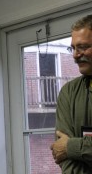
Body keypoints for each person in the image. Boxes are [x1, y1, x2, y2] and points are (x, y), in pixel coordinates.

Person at [50, 14, 92, 173]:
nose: (75, 55)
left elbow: (65, 147)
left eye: (82, 47)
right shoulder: (68, 92)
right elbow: (61, 153)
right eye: (73, 48)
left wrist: (71, 146)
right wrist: (67, 148)